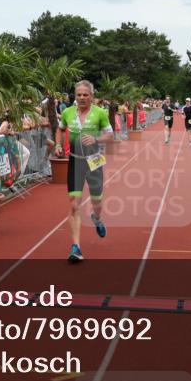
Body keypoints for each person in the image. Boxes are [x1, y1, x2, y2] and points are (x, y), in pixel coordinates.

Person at [54, 80, 114, 263]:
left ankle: (96, 218)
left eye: (85, 95)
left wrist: (96, 138)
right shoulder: (67, 112)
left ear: (91, 96)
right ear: (75, 95)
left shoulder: (100, 113)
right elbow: (60, 129)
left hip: (94, 161)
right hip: (75, 161)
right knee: (73, 204)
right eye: (79, 94)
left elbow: (110, 135)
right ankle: (76, 247)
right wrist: (57, 144)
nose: (81, 98)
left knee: (97, 202)